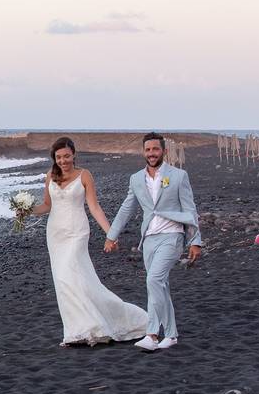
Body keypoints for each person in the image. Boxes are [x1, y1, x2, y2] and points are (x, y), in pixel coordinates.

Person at [30, 137, 148, 346]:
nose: (63, 160)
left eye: (66, 156)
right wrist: (27, 210)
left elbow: (94, 207)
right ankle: (78, 330)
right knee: (67, 282)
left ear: (73, 154)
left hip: (77, 232)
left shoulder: (84, 175)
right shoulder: (50, 176)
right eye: (59, 157)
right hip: (55, 234)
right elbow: (47, 205)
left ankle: (105, 324)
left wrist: (110, 233)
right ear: (54, 158)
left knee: (69, 275)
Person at [105, 132, 202, 352]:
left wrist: (196, 240)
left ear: (163, 151)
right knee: (159, 286)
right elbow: (127, 208)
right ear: (143, 152)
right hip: (149, 238)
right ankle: (170, 335)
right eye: (148, 150)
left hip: (172, 236)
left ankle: (152, 334)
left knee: (154, 280)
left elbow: (190, 209)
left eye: (155, 149)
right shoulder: (136, 179)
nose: (151, 153)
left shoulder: (178, 176)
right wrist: (112, 235)